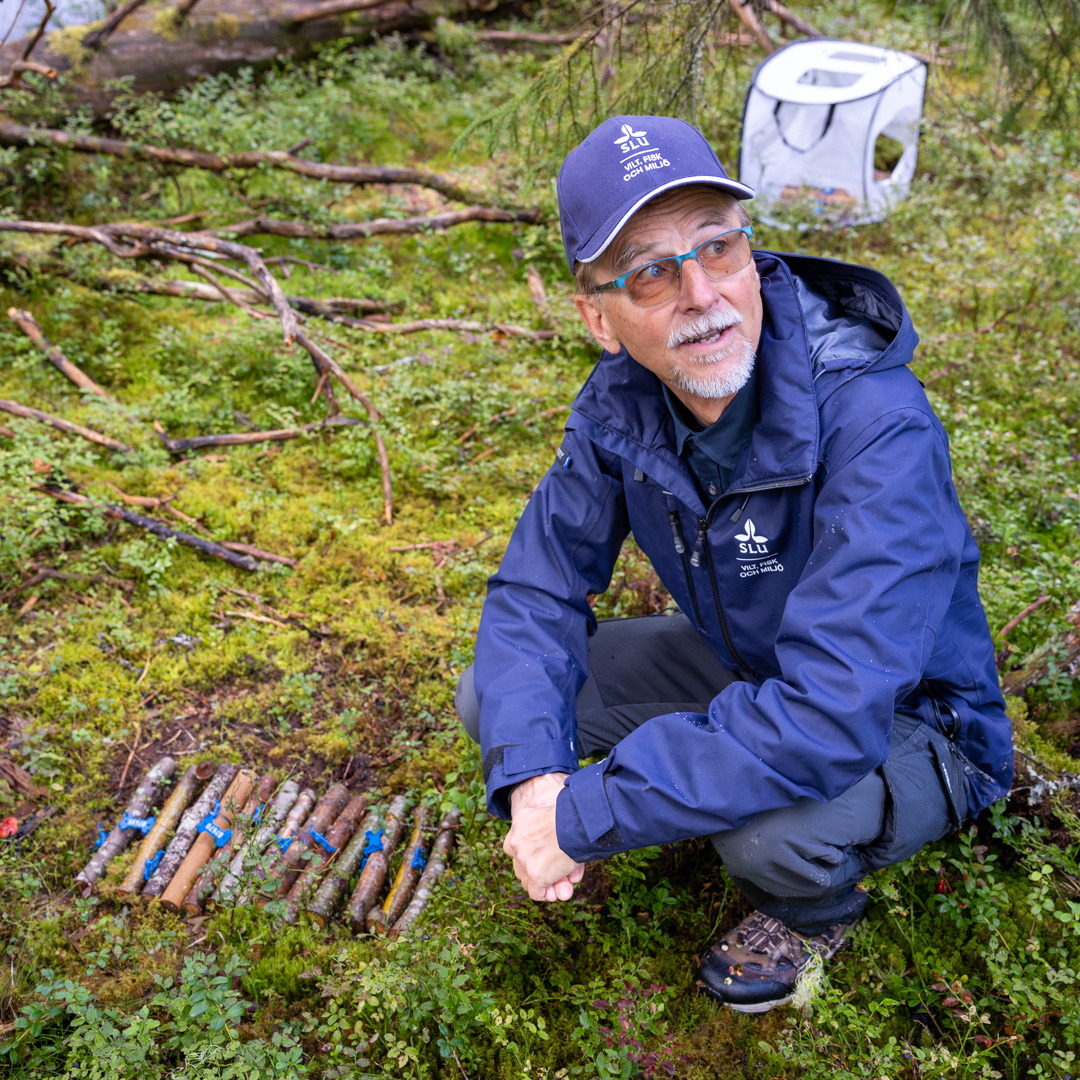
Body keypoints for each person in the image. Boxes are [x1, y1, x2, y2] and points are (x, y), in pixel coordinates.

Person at [455, 115, 1013, 1013]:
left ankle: (815, 909)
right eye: (651, 271)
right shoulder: (621, 407)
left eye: (718, 247)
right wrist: (536, 786)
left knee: (765, 838)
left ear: (751, 253)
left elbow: (832, 711)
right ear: (598, 318)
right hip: (754, 665)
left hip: (914, 720)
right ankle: (689, 778)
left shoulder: (876, 424)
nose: (702, 293)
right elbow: (536, 590)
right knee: (501, 700)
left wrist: (585, 816)